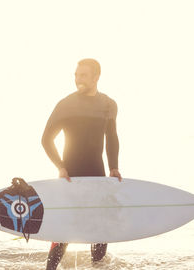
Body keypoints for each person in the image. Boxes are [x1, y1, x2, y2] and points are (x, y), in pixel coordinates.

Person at [41, 58, 122, 270]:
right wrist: (60, 166)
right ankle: (50, 269)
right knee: (64, 229)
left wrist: (114, 167)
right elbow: (46, 139)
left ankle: (97, 267)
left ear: (96, 77)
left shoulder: (108, 105)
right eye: (76, 75)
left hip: (98, 174)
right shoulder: (66, 104)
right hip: (71, 175)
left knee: (100, 229)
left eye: (83, 75)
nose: (78, 79)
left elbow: (112, 137)